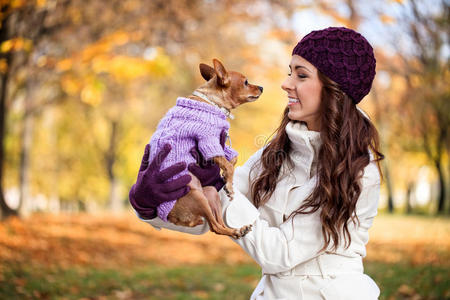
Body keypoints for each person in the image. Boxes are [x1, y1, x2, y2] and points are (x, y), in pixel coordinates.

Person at [129, 26, 384, 299]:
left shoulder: (358, 170)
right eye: (289, 72)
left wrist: (215, 187)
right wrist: (152, 205)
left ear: (335, 89)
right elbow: (207, 217)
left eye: (301, 75)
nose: (286, 83)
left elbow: (279, 253)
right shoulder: (275, 154)